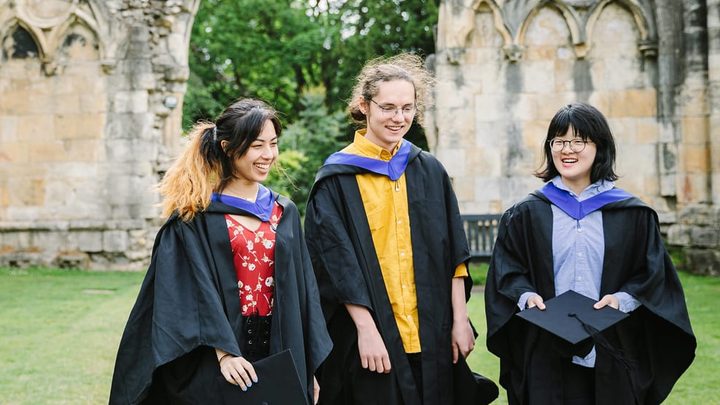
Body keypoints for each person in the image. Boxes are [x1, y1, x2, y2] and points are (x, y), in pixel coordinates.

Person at [109, 98, 332, 405]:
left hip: (281, 346)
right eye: (257, 145)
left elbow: (304, 292)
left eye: (273, 144)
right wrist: (224, 352)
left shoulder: (284, 212)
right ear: (228, 148)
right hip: (218, 355)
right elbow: (189, 292)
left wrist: (309, 369)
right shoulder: (196, 217)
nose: (268, 154)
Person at [484, 102, 696, 404]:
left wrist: (622, 299)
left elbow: (651, 274)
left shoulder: (632, 213)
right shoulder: (527, 212)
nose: (566, 150)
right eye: (559, 141)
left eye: (578, 141)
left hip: (614, 348)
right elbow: (508, 270)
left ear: (600, 146)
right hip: (545, 347)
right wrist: (526, 295)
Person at [304, 53, 480, 405]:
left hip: (432, 332)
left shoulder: (428, 170)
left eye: (407, 108)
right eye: (387, 107)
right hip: (371, 338)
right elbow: (335, 266)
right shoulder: (337, 179)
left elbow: (454, 253)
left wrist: (460, 320)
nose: (399, 118)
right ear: (364, 106)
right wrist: (366, 330)